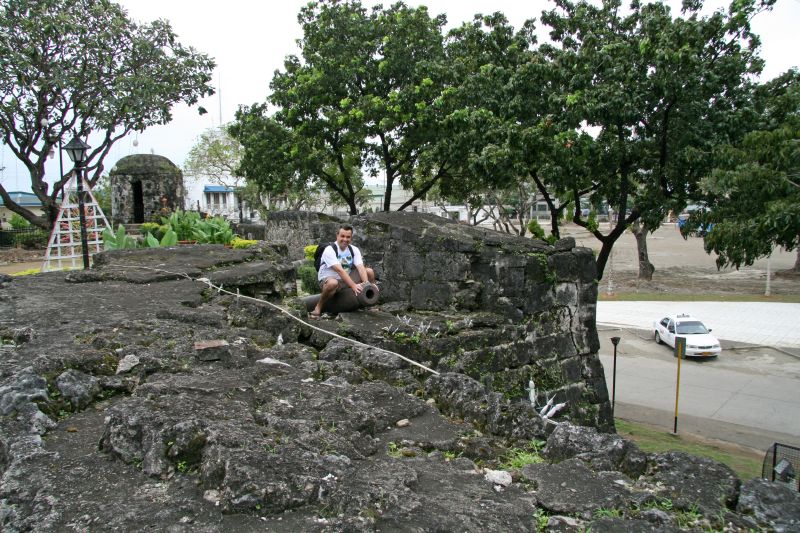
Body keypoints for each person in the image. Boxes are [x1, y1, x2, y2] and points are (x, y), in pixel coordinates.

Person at [311, 224, 375, 318]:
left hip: (346, 278)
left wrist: (366, 284)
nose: (345, 239)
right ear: (337, 235)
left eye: (348, 237)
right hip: (328, 279)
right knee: (333, 283)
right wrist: (353, 285)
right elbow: (339, 270)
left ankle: (370, 302)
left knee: (369, 271)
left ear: (351, 238)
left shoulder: (354, 250)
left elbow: (361, 267)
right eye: (342, 236)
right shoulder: (329, 250)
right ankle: (318, 307)